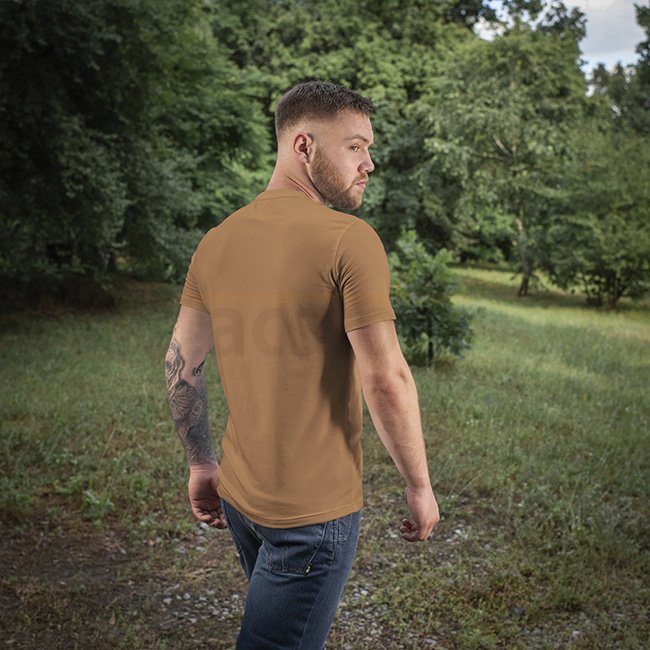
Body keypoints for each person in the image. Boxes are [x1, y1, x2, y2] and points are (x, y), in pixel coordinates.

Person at [165, 80, 440, 649]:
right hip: (311, 519)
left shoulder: (216, 241)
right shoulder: (349, 240)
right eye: (355, 146)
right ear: (303, 146)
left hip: (240, 496)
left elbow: (181, 365)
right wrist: (419, 485)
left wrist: (201, 463)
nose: (369, 163)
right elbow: (386, 377)